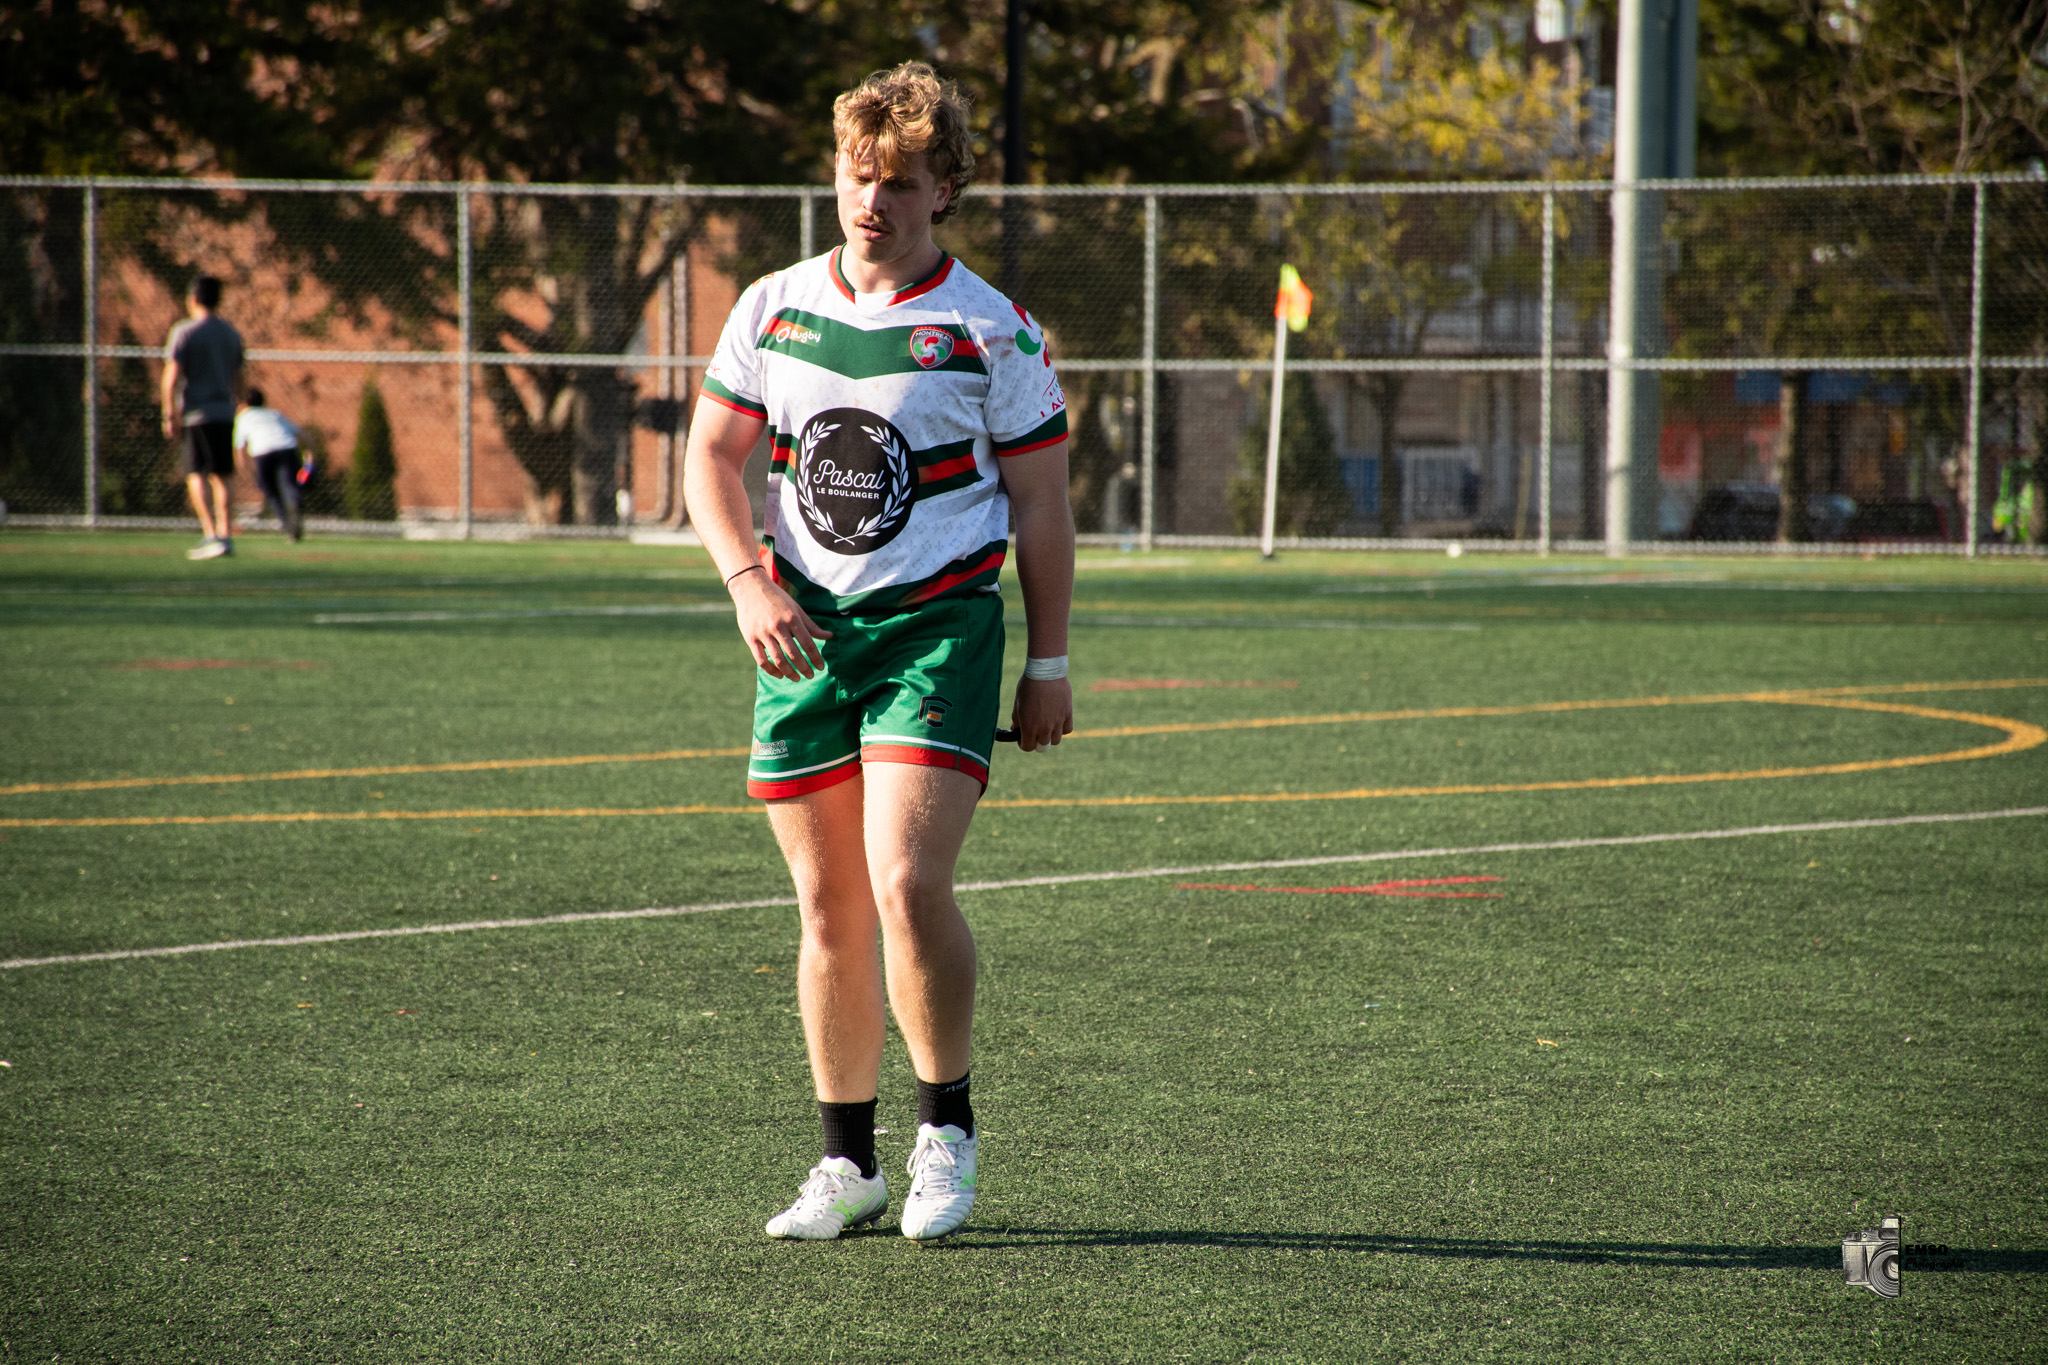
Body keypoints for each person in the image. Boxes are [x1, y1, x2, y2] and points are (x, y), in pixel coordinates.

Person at [682, 62, 1075, 1242]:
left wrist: (1045, 662)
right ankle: (844, 1166)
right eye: (858, 178)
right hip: (801, 632)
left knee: (905, 886)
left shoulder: (988, 328)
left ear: (943, 189)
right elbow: (710, 460)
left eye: (899, 183)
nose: (872, 203)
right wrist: (749, 581)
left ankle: (944, 1134)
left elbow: (1043, 508)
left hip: (935, 629)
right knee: (826, 905)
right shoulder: (771, 306)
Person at [160, 275, 245, 560]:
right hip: (224, 413)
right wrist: (241, 409)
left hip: (196, 414)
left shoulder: (184, 331)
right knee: (224, 475)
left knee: (196, 473)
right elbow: (241, 378)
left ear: (193, 299)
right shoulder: (230, 333)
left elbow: (170, 378)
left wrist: (169, 413)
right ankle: (226, 535)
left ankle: (211, 534)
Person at [234, 387, 306, 542]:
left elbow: (240, 447)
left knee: (271, 492)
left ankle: (288, 528)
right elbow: (300, 433)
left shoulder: (243, 417)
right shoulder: (274, 414)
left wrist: (244, 469)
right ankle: (294, 502)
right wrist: (311, 454)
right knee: (289, 486)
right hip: (286, 448)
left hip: (262, 452)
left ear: (245, 403)